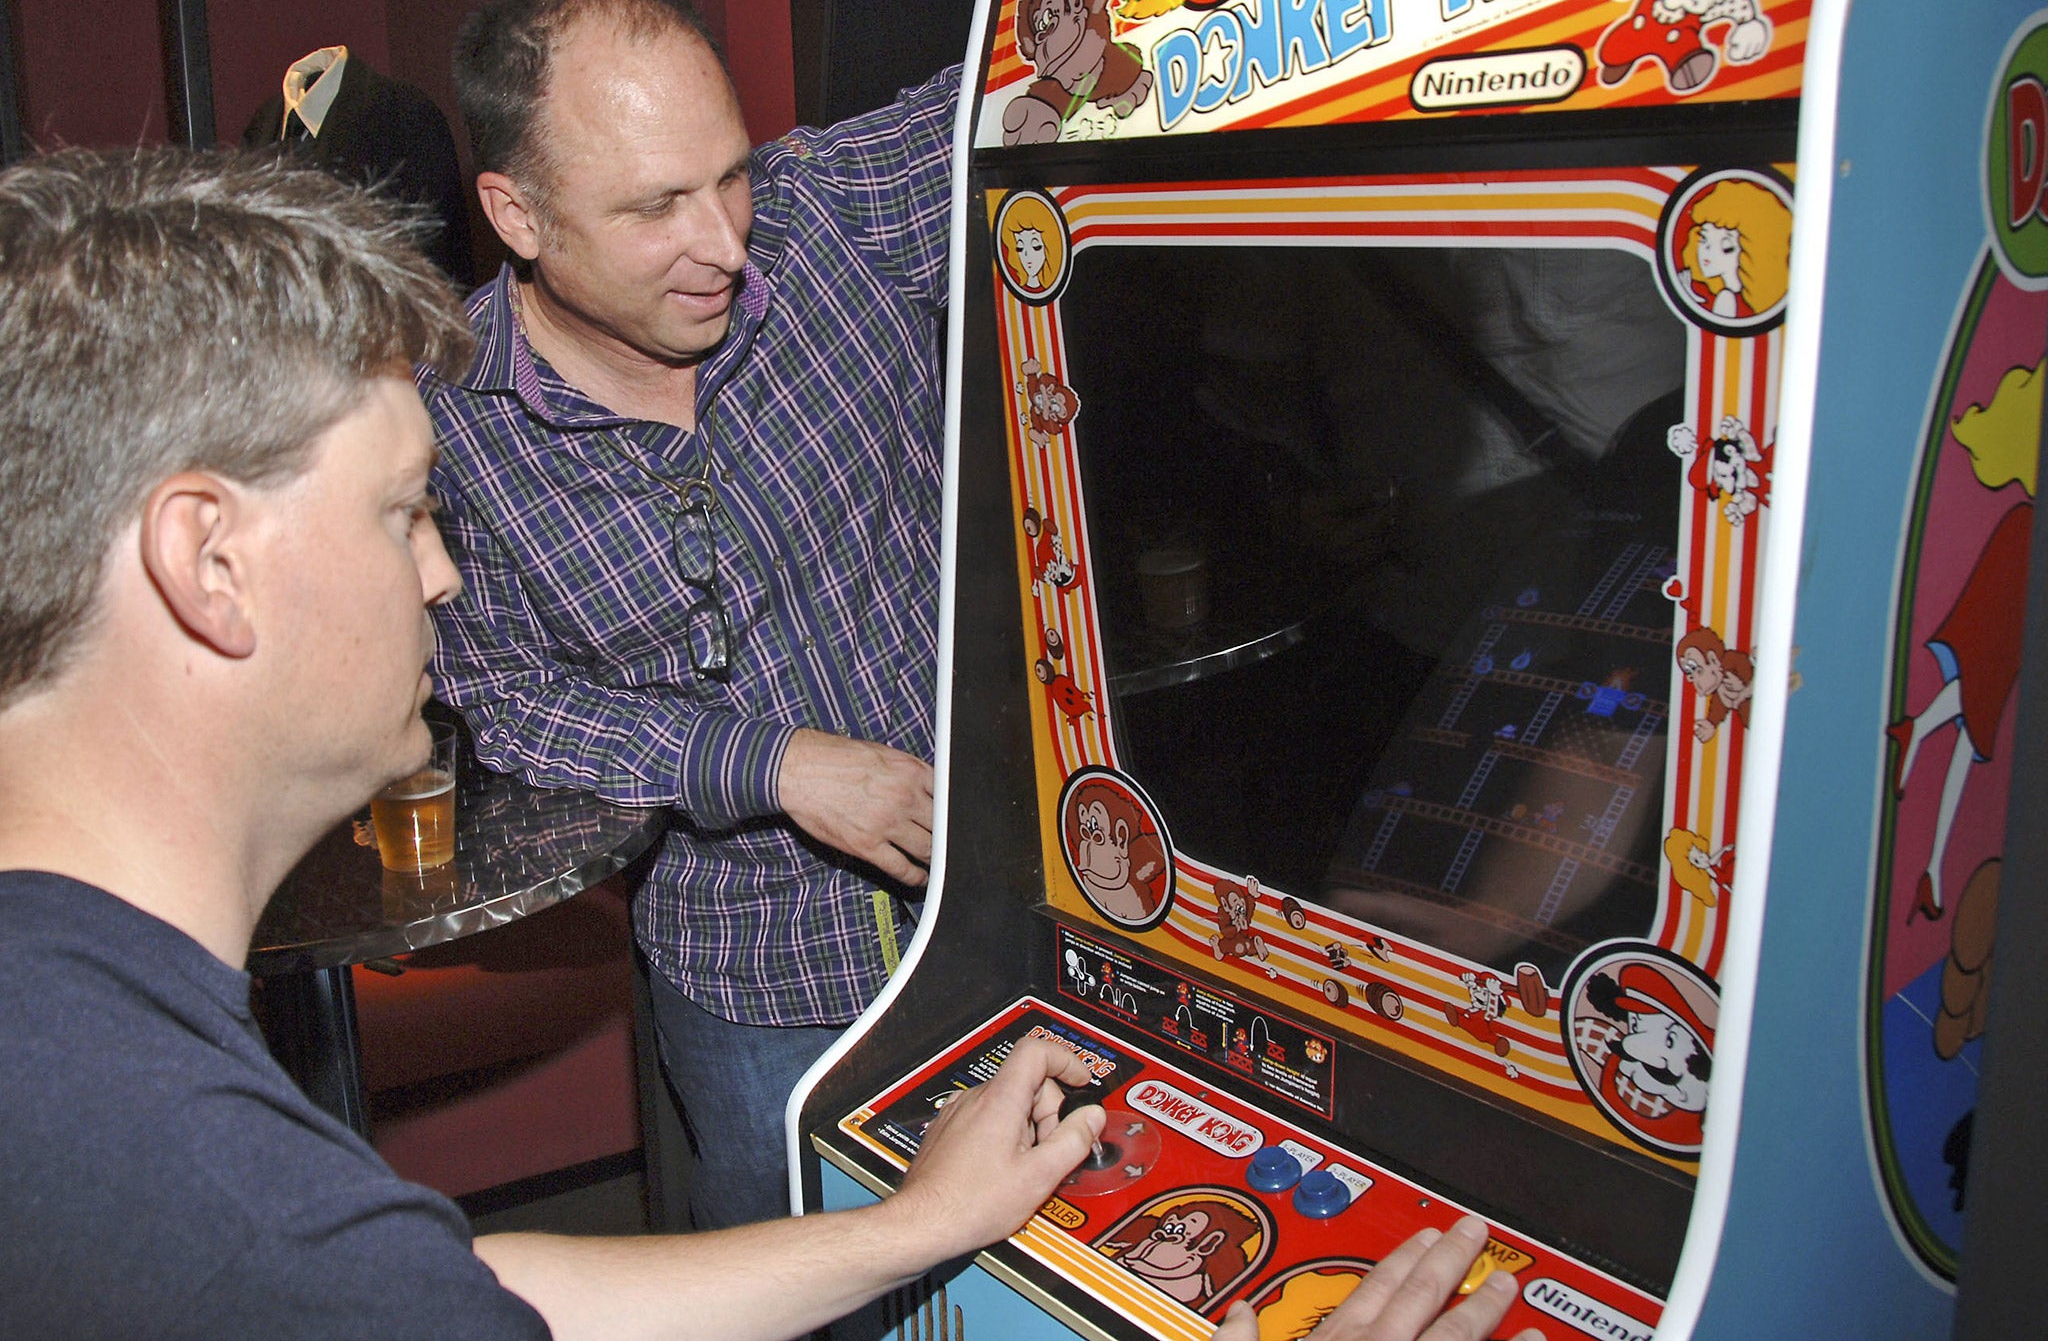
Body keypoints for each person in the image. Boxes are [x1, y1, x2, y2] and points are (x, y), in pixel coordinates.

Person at [0, 145, 1530, 1341]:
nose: (440, 573)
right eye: (403, 511)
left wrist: (904, 1232)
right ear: (210, 563)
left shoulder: (98, 1058)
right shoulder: (202, 1208)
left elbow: (456, 1284)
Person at [423, 0, 1433, 1231]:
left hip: (1007, 931)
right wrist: (765, 765)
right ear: (515, 215)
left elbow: (1064, 63)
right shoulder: (451, 420)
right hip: (755, 988)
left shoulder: (827, 216)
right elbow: (506, 696)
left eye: (731, 174)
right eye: (657, 208)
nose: (723, 243)